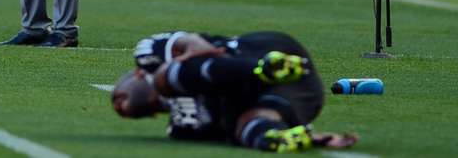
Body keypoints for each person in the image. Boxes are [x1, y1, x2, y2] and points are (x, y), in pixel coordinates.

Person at [113, 31, 357, 153]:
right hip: (300, 95)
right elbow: (228, 133)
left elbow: (190, 42)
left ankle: (264, 69)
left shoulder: (149, 55)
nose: (121, 108)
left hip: (262, 52)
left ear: (135, 75)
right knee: (247, 125)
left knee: (166, 77)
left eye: (117, 96)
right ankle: (283, 137)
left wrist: (203, 57)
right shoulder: (182, 127)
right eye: (128, 115)